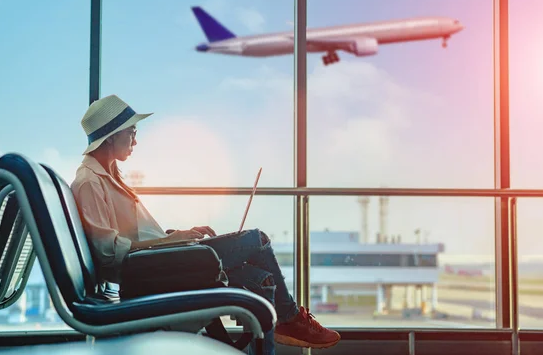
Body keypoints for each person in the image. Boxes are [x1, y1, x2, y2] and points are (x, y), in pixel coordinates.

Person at [70, 95, 340, 354]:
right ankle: (291, 317)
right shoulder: (89, 182)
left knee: (263, 281)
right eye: (132, 132)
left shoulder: (107, 176)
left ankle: (282, 327)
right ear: (111, 136)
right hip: (152, 273)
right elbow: (109, 254)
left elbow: (133, 235)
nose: (135, 140)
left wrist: (176, 236)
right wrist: (170, 242)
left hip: (160, 262)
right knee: (258, 240)